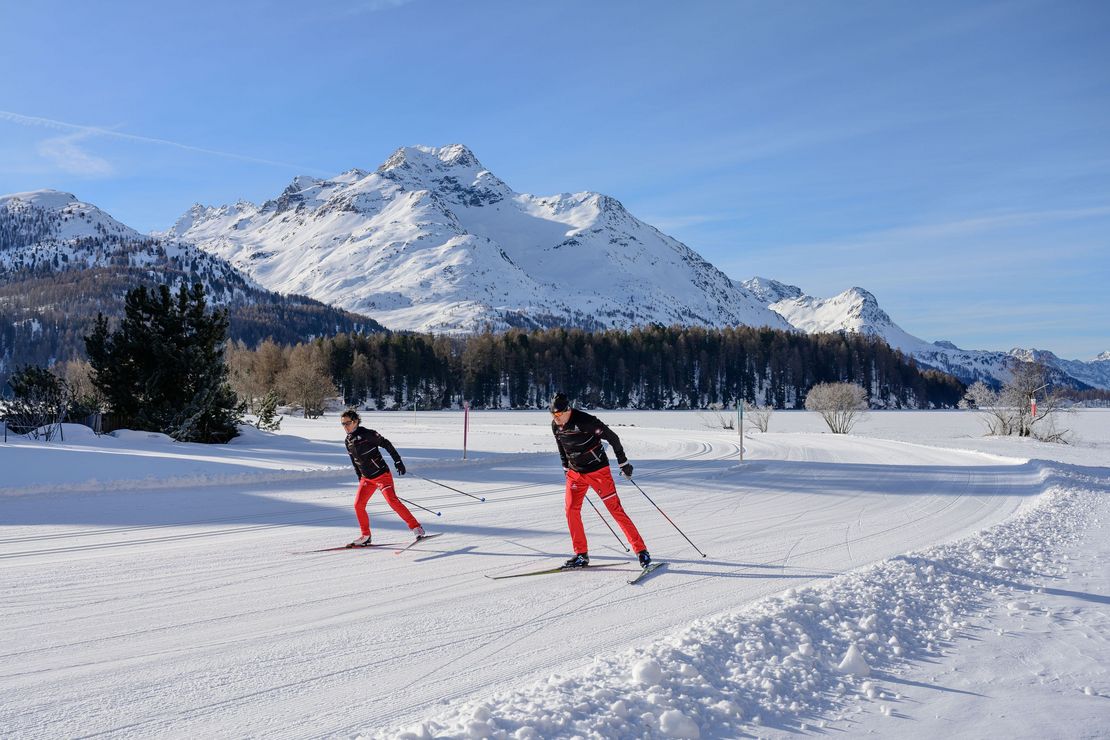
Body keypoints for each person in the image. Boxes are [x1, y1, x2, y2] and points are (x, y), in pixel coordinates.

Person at [549, 393, 651, 568]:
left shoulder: (586, 421)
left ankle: (642, 551)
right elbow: (561, 446)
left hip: (598, 471)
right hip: (575, 473)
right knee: (571, 510)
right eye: (552, 414)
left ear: (568, 410)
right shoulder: (556, 426)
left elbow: (612, 438)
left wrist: (623, 462)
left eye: (558, 414)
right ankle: (581, 554)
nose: (555, 418)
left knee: (615, 510)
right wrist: (565, 467)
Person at [340, 410, 424, 547]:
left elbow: (387, 444)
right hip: (366, 479)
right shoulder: (348, 440)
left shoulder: (368, 434)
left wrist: (398, 461)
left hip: (381, 475)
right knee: (358, 505)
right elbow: (354, 461)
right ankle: (365, 536)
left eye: (347, 423)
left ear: (355, 421)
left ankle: (417, 528)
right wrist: (359, 477)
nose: (345, 426)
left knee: (392, 501)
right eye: (343, 424)